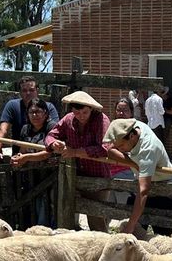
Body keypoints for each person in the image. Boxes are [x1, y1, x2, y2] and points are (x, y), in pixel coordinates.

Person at [44, 90, 128, 232]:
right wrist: (53, 143)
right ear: (72, 110)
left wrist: (75, 152)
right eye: (77, 113)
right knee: (66, 209)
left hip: (98, 177)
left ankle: (101, 246)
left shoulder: (102, 120)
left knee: (95, 218)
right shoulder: (68, 119)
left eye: (84, 112)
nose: (80, 116)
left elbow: (104, 148)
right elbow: (51, 135)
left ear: (90, 109)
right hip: (76, 175)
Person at [104, 118, 172, 236]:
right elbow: (110, 150)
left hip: (165, 188)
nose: (120, 149)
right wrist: (133, 163)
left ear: (132, 136)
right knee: (137, 235)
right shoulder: (131, 127)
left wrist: (130, 226)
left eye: (122, 146)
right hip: (144, 181)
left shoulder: (148, 149)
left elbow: (143, 190)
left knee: (161, 236)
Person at [8, 98, 57, 226]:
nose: (34, 115)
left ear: (45, 113)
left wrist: (27, 158)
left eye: (38, 112)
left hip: (49, 176)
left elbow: (49, 152)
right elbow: (23, 149)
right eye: (31, 112)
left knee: (47, 208)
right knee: (33, 207)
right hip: (31, 178)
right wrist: (19, 156)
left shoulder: (51, 127)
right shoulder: (25, 129)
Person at [0, 76, 58, 164]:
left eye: (31, 90)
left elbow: (56, 134)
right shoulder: (23, 126)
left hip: (45, 158)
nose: (28, 93)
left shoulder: (49, 109)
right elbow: (3, 130)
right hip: (21, 157)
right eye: (24, 90)